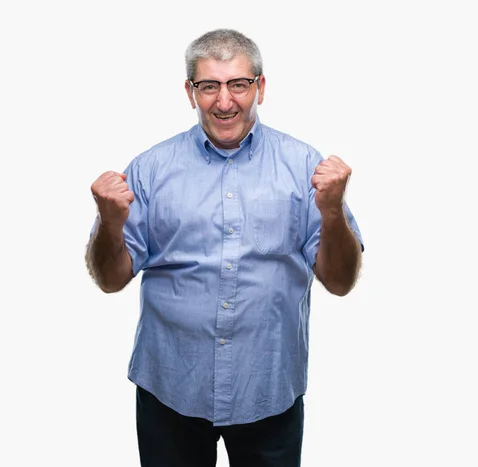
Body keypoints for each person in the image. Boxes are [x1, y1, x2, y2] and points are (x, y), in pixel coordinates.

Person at [85, 28, 364, 467]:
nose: (225, 101)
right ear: (190, 92)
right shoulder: (150, 169)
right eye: (209, 85)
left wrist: (332, 213)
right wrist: (109, 223)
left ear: (260, 87)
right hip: (171, 388)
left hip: (268, 389)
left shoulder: (305, 167)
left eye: (239, 84)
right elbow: (110, 280)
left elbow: (341, 282)